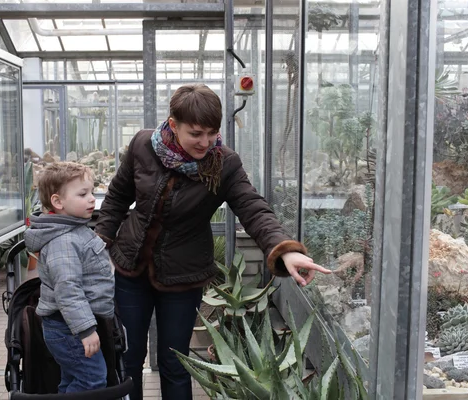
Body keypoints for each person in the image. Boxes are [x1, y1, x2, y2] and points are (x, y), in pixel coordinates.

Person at [95, 84, 330, 400]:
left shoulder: (224, 163)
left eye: (212, 132)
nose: (206, 142)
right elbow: (117, 196)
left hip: (183, 275)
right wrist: (100, 245)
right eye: (196, 133)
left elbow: (252, 207)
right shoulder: (142, 145)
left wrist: (285, 250)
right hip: (130, 268)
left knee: (175, 362)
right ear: (174, 124)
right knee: (128, 358)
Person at [25, 162, 115, 393]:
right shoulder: (63, 242)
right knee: (92, 380)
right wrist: (85, 331)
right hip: (69, 330)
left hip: (69, 327)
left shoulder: (75, 230)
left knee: (72, 381)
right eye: (83, 194)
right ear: (58, 202)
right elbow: (68, 290)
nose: (92, 198)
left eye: (92, 192)